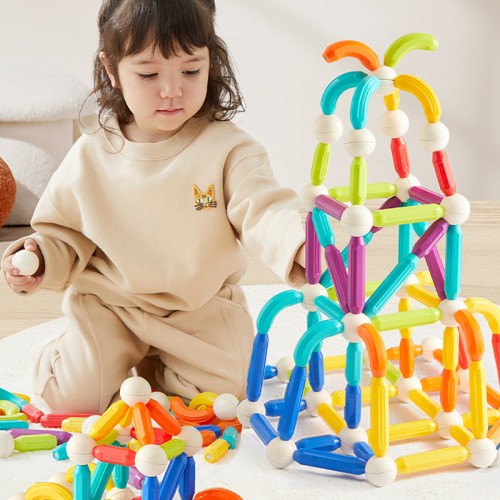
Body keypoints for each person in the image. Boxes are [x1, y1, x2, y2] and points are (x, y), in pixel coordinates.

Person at [1, 0, 306, 414]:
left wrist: (298, 244)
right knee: (67, 401)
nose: (171, 90)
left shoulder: (229, 148)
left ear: (211, 62)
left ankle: (153, 369)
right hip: (109, 306)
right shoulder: (92, 152)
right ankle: (80, 355)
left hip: (197, 308)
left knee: (226, 395)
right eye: (148, 74)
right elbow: (63, 234)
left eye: (191, 71)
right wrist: (38, 258)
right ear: (112, 70)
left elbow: (263, 207)